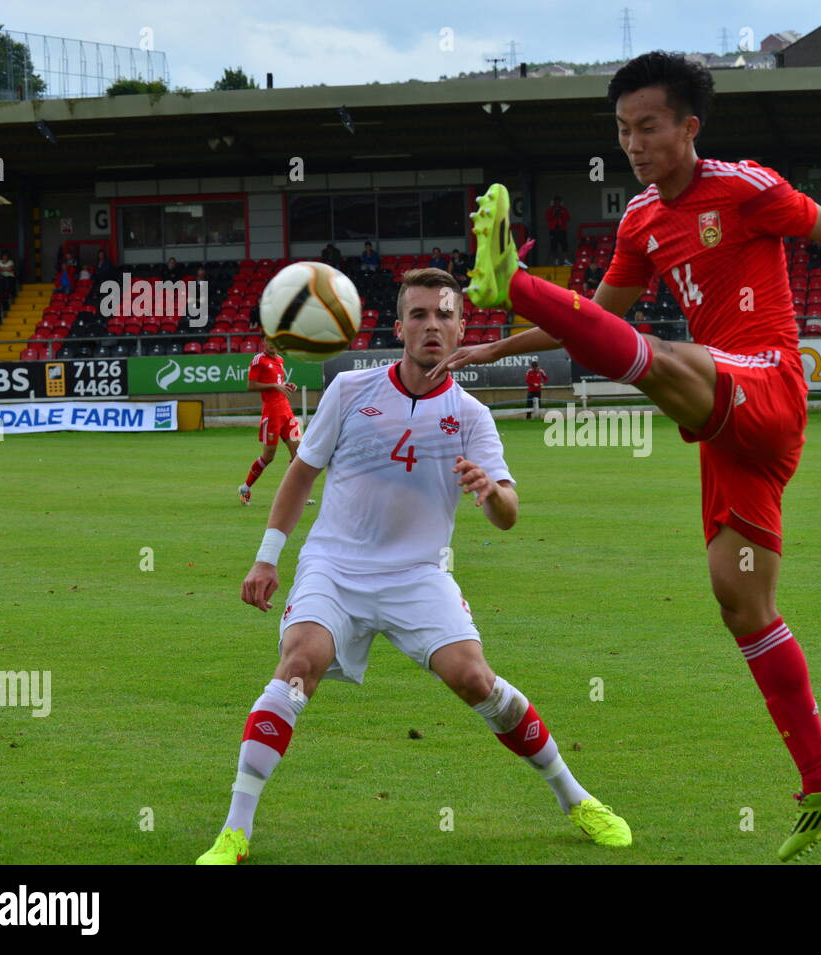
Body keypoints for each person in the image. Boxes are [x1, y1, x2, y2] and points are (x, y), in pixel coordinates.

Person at [437, 51, 821, 861]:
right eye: (623, 129)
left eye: (649, 126)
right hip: (731, 432)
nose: (633, 142)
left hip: (765, 382)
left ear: (689, 126)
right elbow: (595, 323)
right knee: (741, 602)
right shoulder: (639, 221)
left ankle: (516, 277)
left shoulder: (747, 187)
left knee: (665, 358)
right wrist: (489, 347)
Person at [197, 268, 630, 864]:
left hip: (418, 574)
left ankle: (575, 797)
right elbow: (301, 473)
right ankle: (235, 830)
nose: (433, 325)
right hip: (335, 567)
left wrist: (490, 492)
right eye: (421, 314)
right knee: (300, 663)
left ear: (460, 328)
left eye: (445, 314)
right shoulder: (351, 391)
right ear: (399, 326)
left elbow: (508, 513)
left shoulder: (472, 416)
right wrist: (267, 558)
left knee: (474, 679)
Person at [240, 337, 303, 506]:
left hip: (287, 412)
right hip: (272, 414)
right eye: (269, 341)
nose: (272, 345)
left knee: (299, 455)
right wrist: (274, 386)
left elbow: (278, 383)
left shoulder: (280, 360)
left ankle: (295, 495)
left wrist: (285, 385)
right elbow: (251, 385)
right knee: (268, 457)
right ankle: (245, 488)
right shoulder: (258, 360)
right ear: (263, 342)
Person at [546, 196, 571, 265]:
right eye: (556, 202)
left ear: (560, 203)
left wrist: (562, 214)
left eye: (558, 202)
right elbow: (547, 218)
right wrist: (554, 214)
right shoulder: (550, 210)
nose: (557, 203)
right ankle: (556, 260)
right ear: (553, 203)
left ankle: (565, 260)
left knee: (564, 245)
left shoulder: (563, 209)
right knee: (554, 245)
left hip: (562, 229)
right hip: (553, 230)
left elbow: (568, 218)